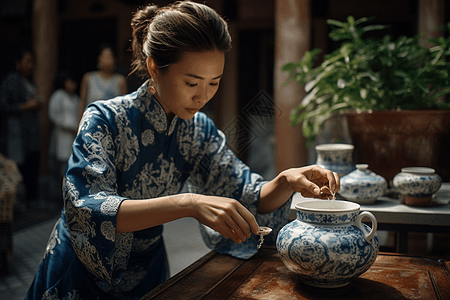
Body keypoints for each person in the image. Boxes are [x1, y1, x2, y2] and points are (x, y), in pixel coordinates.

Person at [26, 1, 340, 299]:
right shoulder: (104, 119)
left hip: (147, 274)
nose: (203, 96)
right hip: (79, 275)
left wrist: (285, 180)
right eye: (192, 83)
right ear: (154, 67)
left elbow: (245, 194)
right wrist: (187, 203)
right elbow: (87, 207)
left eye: (214, 83)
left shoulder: (198, 130)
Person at [0, 49, 42, 206]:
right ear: (18, 63)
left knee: (32, 164)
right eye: (27, 61)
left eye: (32, 61)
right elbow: (3, 106)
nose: (30, 65)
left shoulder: (29, 81)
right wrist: (25, 106)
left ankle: (31, 201)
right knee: (18, 166)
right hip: (15, 132)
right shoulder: (10, 80)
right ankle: (17, 203)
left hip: (30, 131)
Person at [78, 43, 127, 121]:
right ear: (99, 58)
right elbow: (82, 103)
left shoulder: (120, 80)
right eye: (104, 56)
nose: (106, 59)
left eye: (109, 56)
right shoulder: (88, 78)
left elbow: (124, 106)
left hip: (113, 124)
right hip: (92, 122)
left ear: (114, 59)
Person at [48, 71, 80, 178]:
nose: (72, 85)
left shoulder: (76, 98)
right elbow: (53, 114)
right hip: (62, 133)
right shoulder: (58, 95)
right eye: (70, 82)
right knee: (62, 162)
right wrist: (66, 126)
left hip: (74, 133)